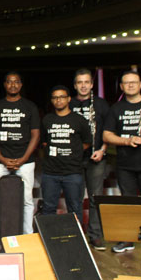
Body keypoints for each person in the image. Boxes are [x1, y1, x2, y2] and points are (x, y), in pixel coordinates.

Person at [103, 70, 141, 255]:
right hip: (125, 166)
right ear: (121, 87)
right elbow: (107, 135)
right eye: (126, 83)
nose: (130, 85)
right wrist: (127, 141)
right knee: (127, 204)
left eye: (134, 82)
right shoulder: (116, 109)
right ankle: (127, 240)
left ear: (140, 85)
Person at [0, 71, 40, 237]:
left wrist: (22, 159)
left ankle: (27, 235)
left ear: (21, 85)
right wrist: (2, 159)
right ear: (5, 85)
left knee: (27, 200)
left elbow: (36, 135)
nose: (13, 85)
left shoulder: (30, 107)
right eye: (9, 82)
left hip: (25, 162)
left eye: (16, 82)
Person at [70, 68, 110, 251]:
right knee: (74, 198)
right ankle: (75, 234)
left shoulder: (101, 105)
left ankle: (95, 236)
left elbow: (108, 132)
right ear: (75, 85)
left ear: (92, 84)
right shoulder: (68, 104)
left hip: (96, 157)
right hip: (74, 159)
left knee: (95, 198)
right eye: (80, 82)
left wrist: (103, 149)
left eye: (87, 82)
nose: (83, 86)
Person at [40, 86, 92, 222]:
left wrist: (74, 150)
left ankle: (76, 241)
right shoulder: (47, 119)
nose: (59, 100)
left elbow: (87, 142)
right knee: (48, 208)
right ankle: (49, 241)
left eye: (62, 97)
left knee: (75, 208)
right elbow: (45, 142)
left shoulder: (79, 120)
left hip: (73, 172)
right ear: (52, 100)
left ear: (69, 99)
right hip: (50, 173)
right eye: (55, 97)